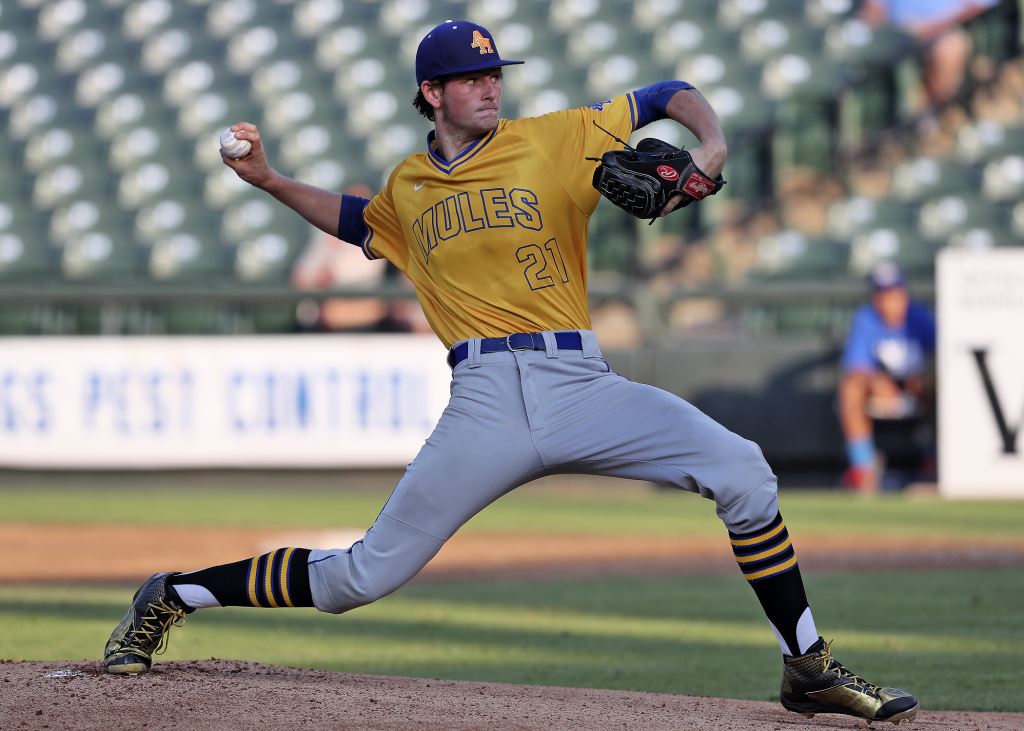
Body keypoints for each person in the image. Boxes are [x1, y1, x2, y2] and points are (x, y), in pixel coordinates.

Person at [102, 20, 918, 724]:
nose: (489, 87)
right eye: (470, 78)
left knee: (743, 470)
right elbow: (358, 224)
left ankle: (806, 666)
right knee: (360, 575)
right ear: (432, 92)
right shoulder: (409, 187)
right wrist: (273, 181)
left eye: (494, 73)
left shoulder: (561, 137)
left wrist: (709, 145)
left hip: (583, 383)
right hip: (485, 400)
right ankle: (173, 593)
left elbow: (671, 91)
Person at [839, 261, 936, 492]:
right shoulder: (866, 319)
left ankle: (937, 461)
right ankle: (864, 469)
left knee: (944, 388)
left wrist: (924, 378)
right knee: (850, 390)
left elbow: (948, 356)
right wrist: (877, 381)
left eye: (893, 294)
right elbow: (856, 367)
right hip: (880, 393)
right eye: (882, 294)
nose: (888, 302)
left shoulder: (921, 317)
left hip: (919, 390)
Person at [860, 0, 1000, 110]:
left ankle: (934, 111)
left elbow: (979, 6)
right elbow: (874, 10)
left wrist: (934, 27)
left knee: (951, 47)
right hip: (895, 32)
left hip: (943, 29)